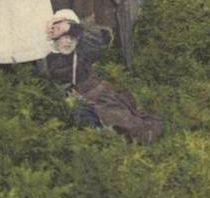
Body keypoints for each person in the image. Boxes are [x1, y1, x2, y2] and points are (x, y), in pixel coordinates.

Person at [39, 10, 163, 145]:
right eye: (64, 37)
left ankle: (141, 134)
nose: (68, 41)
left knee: (122, 118)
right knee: (90, 122)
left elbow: (100, 37)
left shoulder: (83, 51)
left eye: (73, 37)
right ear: (54, 38)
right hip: (75, 100)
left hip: (97, 94)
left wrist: (71, 27)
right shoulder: (48, 59)